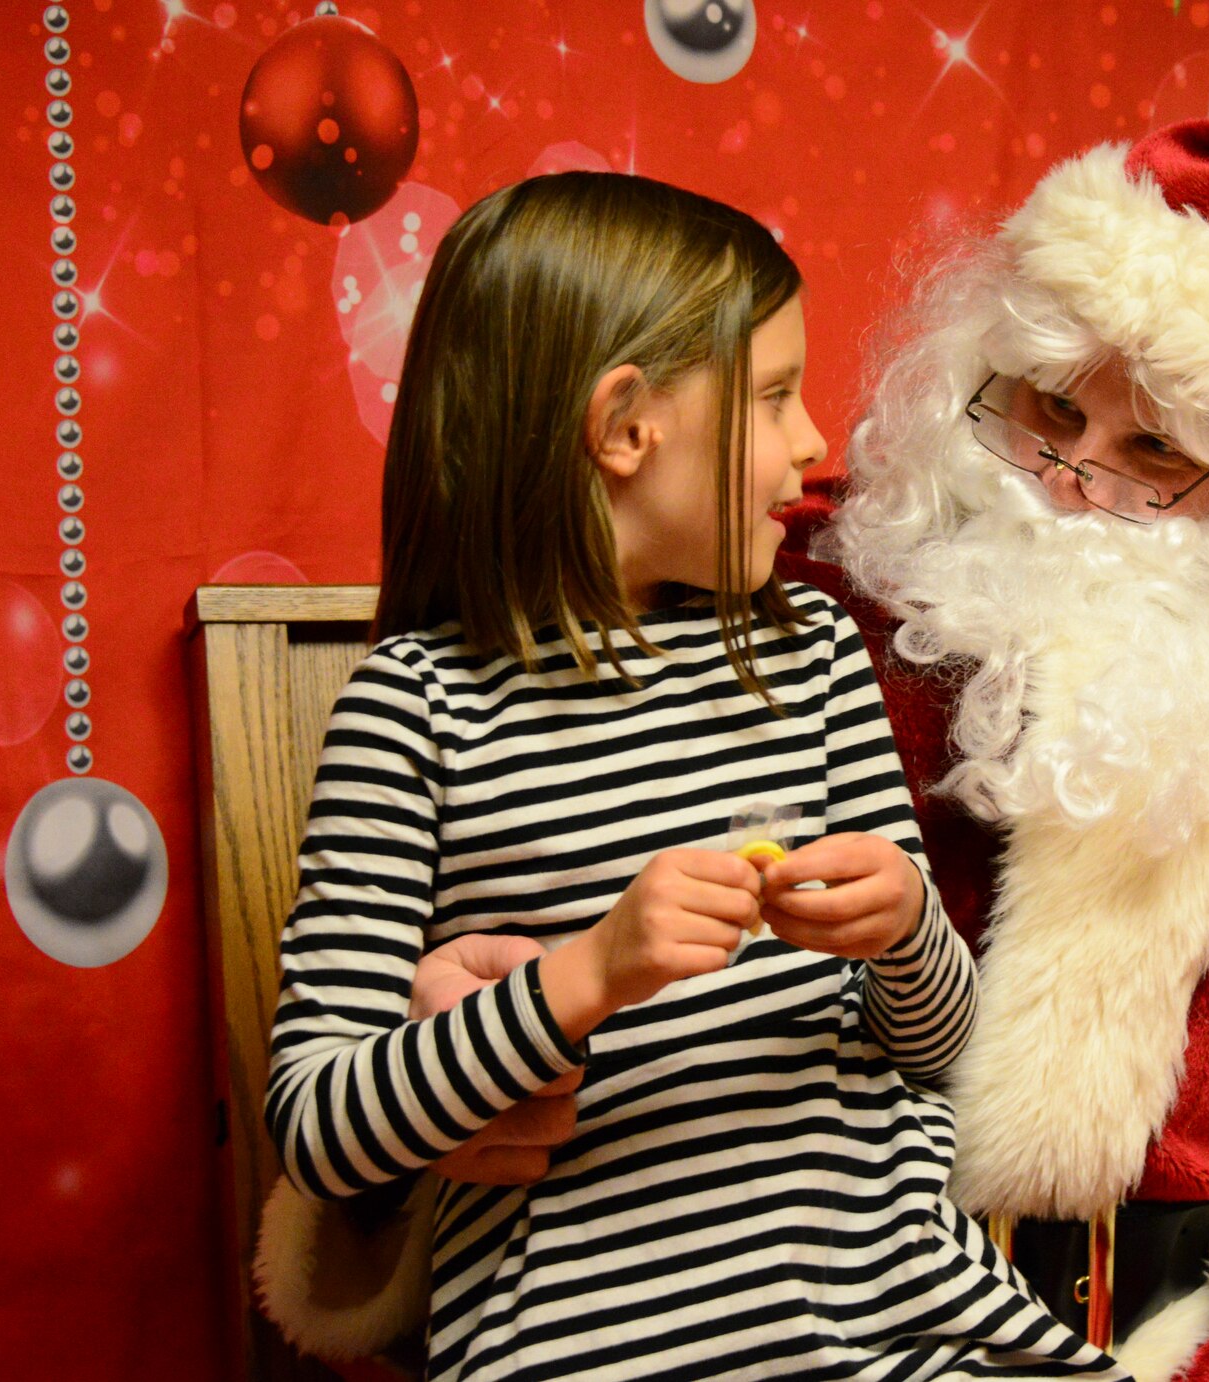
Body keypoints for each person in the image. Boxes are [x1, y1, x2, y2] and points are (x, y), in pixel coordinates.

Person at [332, 125, 1209, 1380]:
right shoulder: (790, 586)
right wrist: (457, 1001)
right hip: (808, 1291)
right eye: (1040, 408)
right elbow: (540, 692)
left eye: (1156, 447)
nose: (1069, 480)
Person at [259, 170, 1127, 1382]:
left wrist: (903, 925)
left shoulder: (812, 655)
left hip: (910, 1329)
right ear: (624, 428)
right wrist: (586, 973)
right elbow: (318, 1129)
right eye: (773, 395)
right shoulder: (417, 709)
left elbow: (950, 1053)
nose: (813, 440)